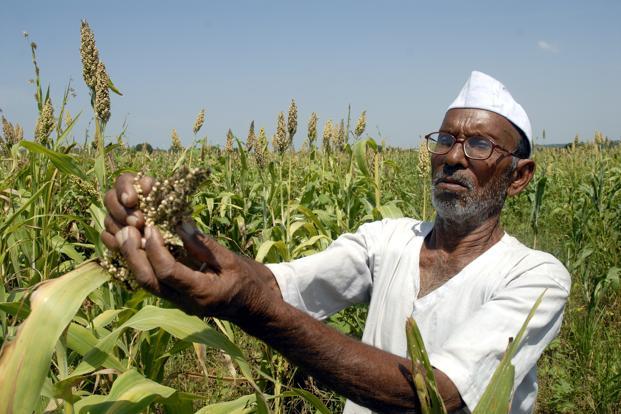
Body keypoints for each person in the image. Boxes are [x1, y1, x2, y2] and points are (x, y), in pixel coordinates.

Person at [102, 71, 570, 413]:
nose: (452, 157)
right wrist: (182, 240)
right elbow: (275, 285)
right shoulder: (386, 241)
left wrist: (249, 307)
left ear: (519, 178)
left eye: (479, 146)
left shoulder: (535, 277)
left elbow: (434, 395)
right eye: (445, 139)